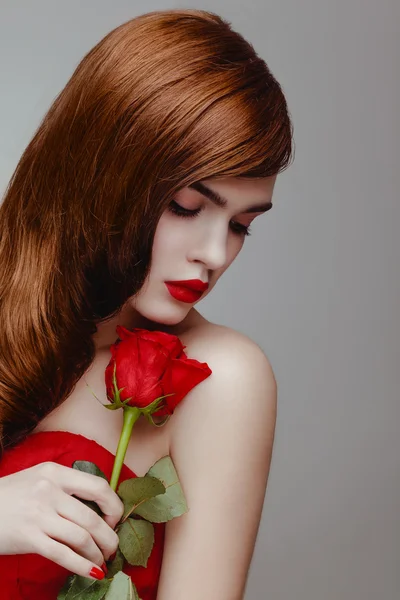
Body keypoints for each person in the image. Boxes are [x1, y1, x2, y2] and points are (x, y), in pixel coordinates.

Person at [0, 8, 294, 600]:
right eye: (187, 206)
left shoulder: (223, 380)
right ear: (101, 173)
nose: (214, 254)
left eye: (242, 225)